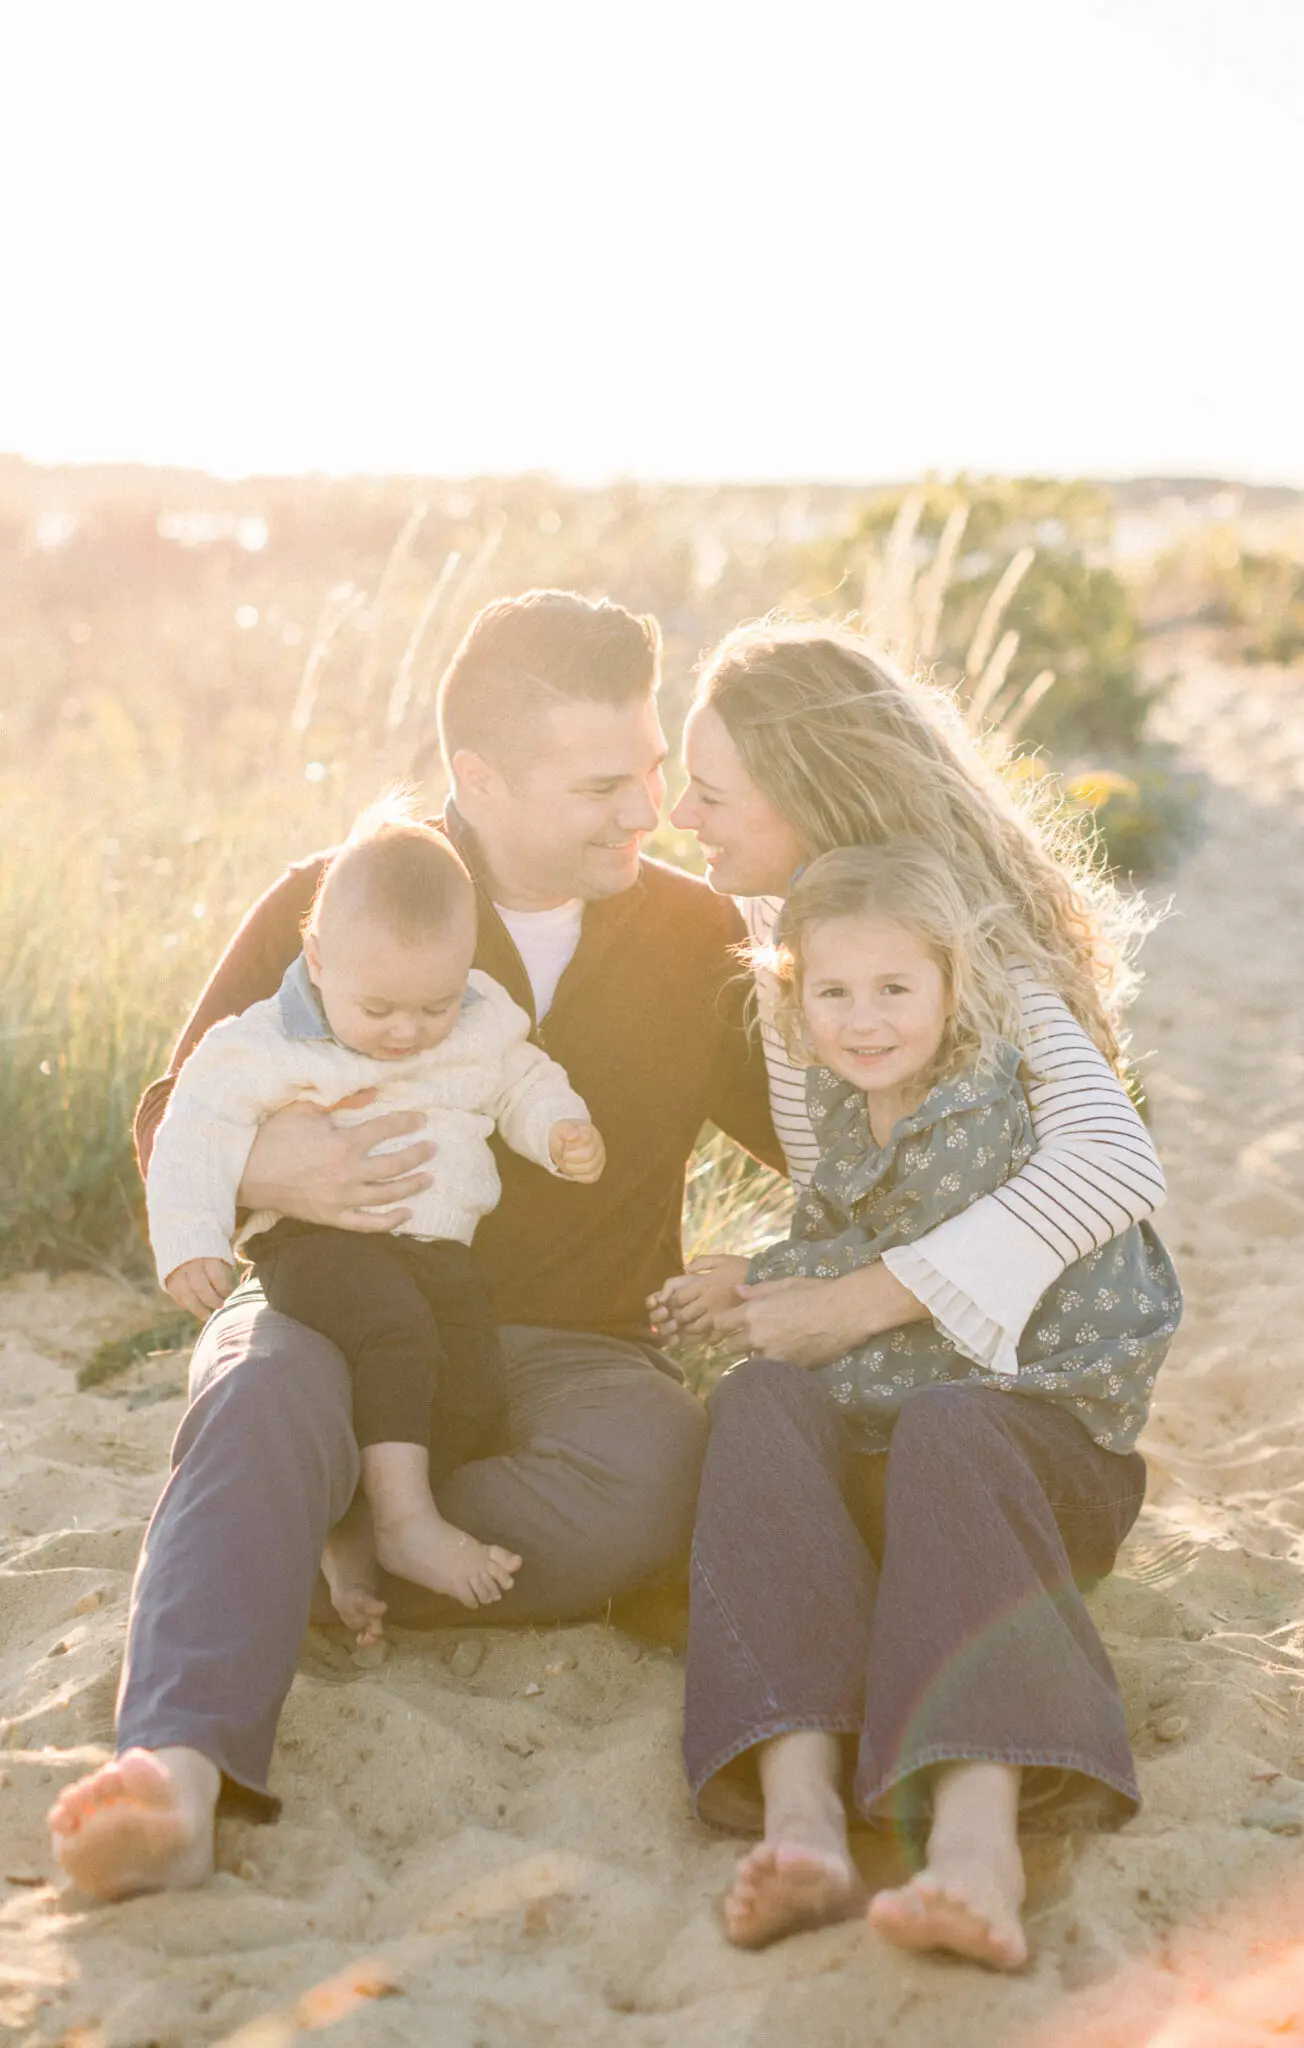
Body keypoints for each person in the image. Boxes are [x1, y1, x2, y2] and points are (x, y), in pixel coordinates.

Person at [49, 588, 785, 1901]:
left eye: (655, 773)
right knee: (256, 1390)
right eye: (603, 784)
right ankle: (178, 1769)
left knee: (659, 1469)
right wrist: (279, 1167)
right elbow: (177, 1117)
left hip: (577, 1359)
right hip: (335, 1310)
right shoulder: (334, 900)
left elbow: (826, 1143)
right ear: (479, 779)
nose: (645, 811)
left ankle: (324, 1542)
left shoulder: (692, 937)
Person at [649, 619, 1175, 1968]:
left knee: (947, 1425)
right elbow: (840, 1207)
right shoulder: (791, 968)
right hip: (887, 1426)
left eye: (713, 791)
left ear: (808, 787)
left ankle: (979, 1852)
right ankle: (804, 1815)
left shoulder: (969, 949)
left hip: (1015, 1443)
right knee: (763, 1401)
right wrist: (766, 1283)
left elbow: (1111, 1160)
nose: (682, 813)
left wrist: (868, 1300)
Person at [147, 804, 606, 1630]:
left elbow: (520, 1078)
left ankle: (356, 1536)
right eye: (381, 1009)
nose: (407, 1031)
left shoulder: (476, 1018)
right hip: (324, 1244)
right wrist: (189, 1239)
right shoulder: (264, 1043)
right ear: (317, 960)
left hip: (438, 1254)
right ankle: (406, 1524)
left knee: (466, 1382)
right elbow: (195, 1126)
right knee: (395, 1336)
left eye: (432, 1006)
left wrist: (559, 1128)